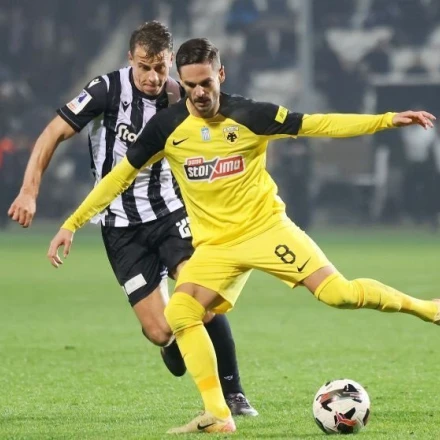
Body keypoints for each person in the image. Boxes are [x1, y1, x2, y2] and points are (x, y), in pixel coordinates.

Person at [47, 38, 438, 435]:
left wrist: (386, 120)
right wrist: (72, 224)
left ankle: (428, 308)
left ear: (221, 74)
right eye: (189, 85)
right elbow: (118, 178)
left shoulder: (251, 115)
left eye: (206, 83)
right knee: (180, 313)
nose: (199, 93)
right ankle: (219, 414)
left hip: (266, 230)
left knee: (340, 295)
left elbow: (317, 123)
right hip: (215, 247)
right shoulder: (167, 127)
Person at [8, 25, 258, 417]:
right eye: (144, 67)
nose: (153, 77)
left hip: (171, 213)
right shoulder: (105, 91)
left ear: (170, 61)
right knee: (160, 331)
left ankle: (234, 394)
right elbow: (52, 133)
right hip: (121, 227)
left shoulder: (181, 95)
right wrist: (29, 190)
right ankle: (173, 344)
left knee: (203, 299)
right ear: (130, 59)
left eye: (160, 67)